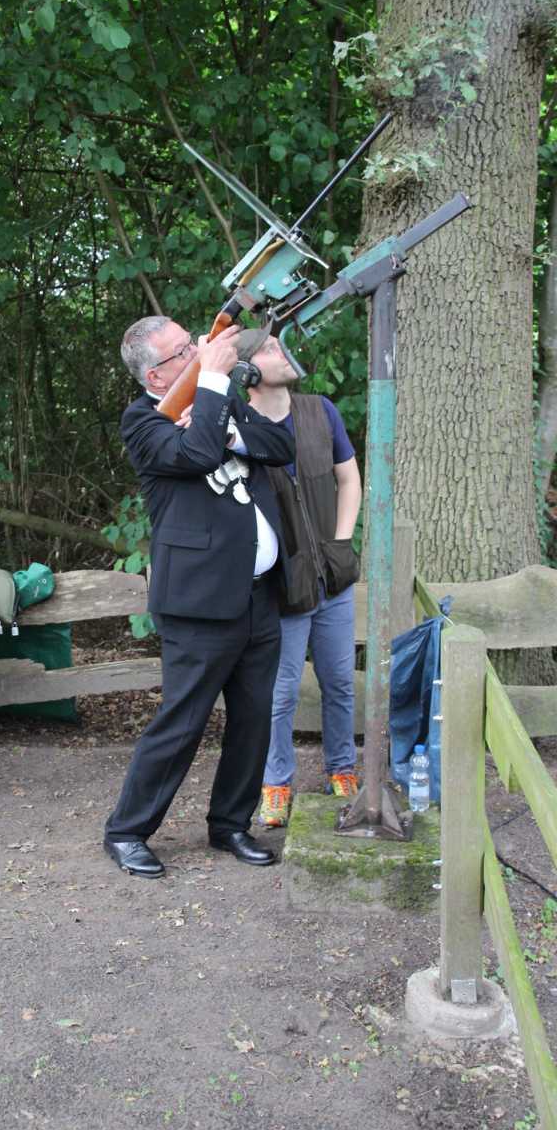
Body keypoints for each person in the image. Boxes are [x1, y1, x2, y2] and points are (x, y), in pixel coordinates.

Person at [104, 317, 294, 878]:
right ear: (155, 375)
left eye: (193, 343)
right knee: (182, 722)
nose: (199, 350)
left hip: (257, 595)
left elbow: (280, 445)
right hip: (199, 605)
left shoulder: (218, 399)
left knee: (254, 719)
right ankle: (127, 831)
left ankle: (229, 824)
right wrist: (210, 386)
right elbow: (194, 456)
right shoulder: (143, 421)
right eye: (183, 350)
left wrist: (230, 430)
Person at [242, 331, 362, 828]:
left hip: (333, 579)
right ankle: (275, 782)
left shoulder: (319, 410)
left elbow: (348, 478)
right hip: (282, 586)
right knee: (281, 691)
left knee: (340, 681)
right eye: (269, 348)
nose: (283, 351)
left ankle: (343, 769)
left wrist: (340, 542)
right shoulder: (238, 428)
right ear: (246, 370)